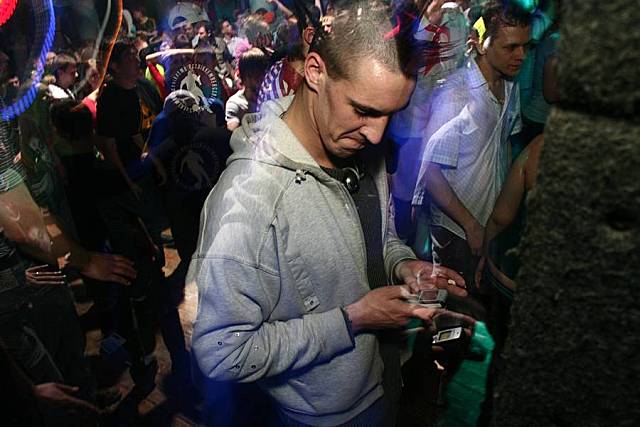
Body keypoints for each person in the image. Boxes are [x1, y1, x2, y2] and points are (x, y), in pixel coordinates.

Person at [190, 2, 469, 425]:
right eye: (364, 110)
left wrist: (402, 264)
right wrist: (353, 319)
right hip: (326, 413)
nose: (377, 133)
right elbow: (221, 353)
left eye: (391, 113)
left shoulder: (358, 145)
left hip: (383, 372)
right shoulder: (247, 202)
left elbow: (376, 236)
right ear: (315, 71)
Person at [412, 1, 530, 317]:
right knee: (456, 314)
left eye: (525, 46)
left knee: (482, 310)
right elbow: (430, 173)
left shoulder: (511, 83)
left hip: (488, 222)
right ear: (478, 43)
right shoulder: (457, 95)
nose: (521, 55)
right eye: (510, 47)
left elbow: (505, 145)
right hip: (458, 230)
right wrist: (471, 226)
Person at [225, 47, 268, 131]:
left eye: (263, 73)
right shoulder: (236, 103)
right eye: (256, 74)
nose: (262, 78)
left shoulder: (270, 97)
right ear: (245, 76)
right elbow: (233, 133)